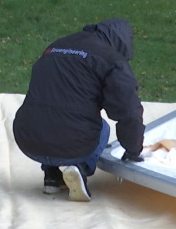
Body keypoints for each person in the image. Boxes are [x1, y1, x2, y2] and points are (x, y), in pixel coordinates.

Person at [13, 19, 145, 202]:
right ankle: (81, 168)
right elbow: (129, 111)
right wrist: (133, 150)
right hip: (72, 143)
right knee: (102, 128)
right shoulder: (111, 60)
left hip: (28, 138)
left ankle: (51, 176)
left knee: (50, 114)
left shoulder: (56, 47)